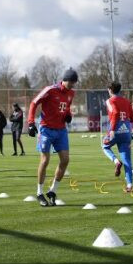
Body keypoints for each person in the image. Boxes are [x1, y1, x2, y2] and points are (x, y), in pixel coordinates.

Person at [27, 68, 77, 207]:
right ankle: (39, 192)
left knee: (65, 160)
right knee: (45, 160)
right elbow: (34, 103)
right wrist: (31, 123)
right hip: (46, 129)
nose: (73, 85)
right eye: (72, 82)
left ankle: (52, 191)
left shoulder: (71, 93)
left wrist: (68, 115)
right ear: (66, 80)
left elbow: (66, 107)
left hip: (61, 130)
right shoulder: (50, 90)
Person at [102, 82, 133, 192]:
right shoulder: (127, 101)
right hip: (126, 131)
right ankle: (130, 185)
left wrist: (112, 129)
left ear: (110, 90)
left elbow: (115, 112)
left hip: (115, 130)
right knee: (127, 160)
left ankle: (116, 161)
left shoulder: (109, 101)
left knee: (105, 146)